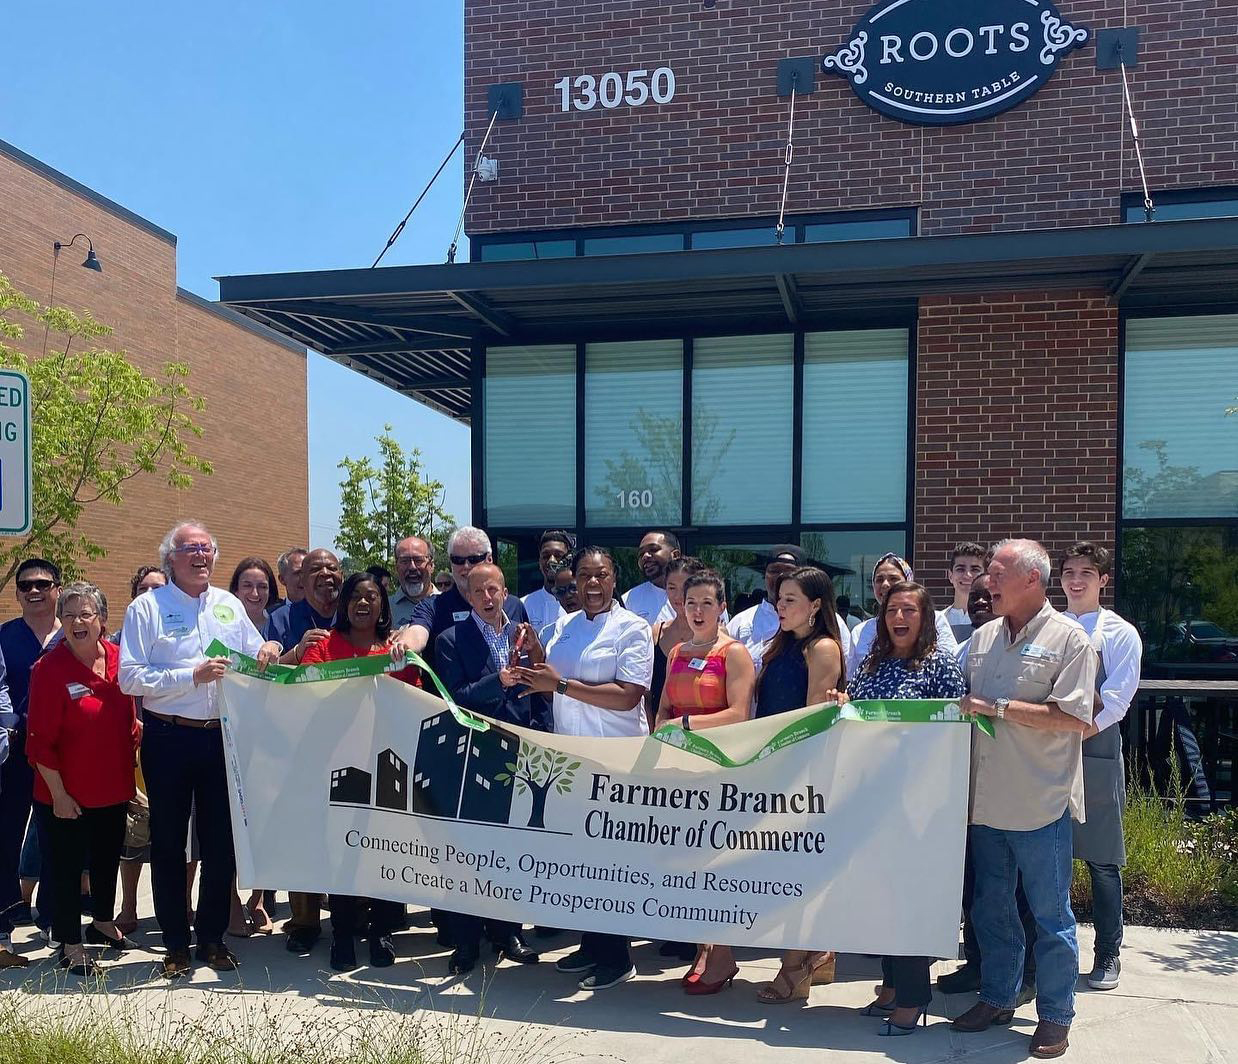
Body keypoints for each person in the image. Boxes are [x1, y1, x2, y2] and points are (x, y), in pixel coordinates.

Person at [951, 539, 1098, 1061]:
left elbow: (1076, 719)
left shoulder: (1069, 641)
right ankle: (997, 997)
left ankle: (1056, 1017)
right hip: (985, 804)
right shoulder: (984, 637)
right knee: (991, 912)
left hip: (1040, 805)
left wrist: (1000, 708)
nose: (986, 581)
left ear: (1031, 580)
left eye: (996, 572)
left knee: (1050, 916)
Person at [119, 521, 283, 977]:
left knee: (220, 842)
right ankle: (174, 942)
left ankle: (211, 938)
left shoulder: (229, 605)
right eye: (190, 549)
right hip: (168, 735)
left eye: (207, 549)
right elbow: (129, 677)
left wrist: (269, 645)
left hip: (221, 737)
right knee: (169, 842)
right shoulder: (146, 608)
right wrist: (191, 675)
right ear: (170, 557)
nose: (201, 557)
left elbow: (255, 657)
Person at [511, 547, 652, 991]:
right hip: (570, 761)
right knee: (580, 861)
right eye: (585, 577)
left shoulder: (634, 628)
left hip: (615, 760)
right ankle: (592, 944)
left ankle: (617, 956)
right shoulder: (565, 627)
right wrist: (535, 653)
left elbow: (629, 695)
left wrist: (564, 684)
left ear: (615, 579)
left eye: (601, 575)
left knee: (611, 862)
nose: (591, 584)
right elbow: (549, 683)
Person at [842, 581, 967, 1036]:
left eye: (909, 611)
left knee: (908, 900)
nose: (899, 618)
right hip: (873, 798)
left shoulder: (941, 667)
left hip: (920, 802)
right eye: (892, 610)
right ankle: (892, 984)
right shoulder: (872, 663)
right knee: (880, 896)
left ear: (925, 617)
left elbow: (954, 729)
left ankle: (914, 998)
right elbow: (853, 714)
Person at [300, 572, 419, 972]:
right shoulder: (324, 648)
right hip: (336, 762)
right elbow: (304, 695)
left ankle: (382, 931)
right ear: (344, 604)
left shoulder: (393, 649)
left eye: (372, 597)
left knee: (380, 849)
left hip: (385, 763)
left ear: (383, 606)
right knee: (342, 851)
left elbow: (413, 700)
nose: (364, 603)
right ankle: (343, 933)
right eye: (356, 597)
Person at [436, 563, 550, 973]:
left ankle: (508, 933)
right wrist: (496, 682)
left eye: (494, 590)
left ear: (506, 593)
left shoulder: (523, 635)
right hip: (474, 755)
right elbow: (455, 697)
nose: (487, 597)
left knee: (511, 851)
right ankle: (467, 943)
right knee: (468, 853)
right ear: (468, 595)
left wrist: (542, 735)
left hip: (521, 754)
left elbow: (541, 691)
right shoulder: (451, 640)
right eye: (479, 591)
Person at [27, 582, 140, 977]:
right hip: (66, 793)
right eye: (70, 613)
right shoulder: (49, 669)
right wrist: (58, 794)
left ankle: (102, 922)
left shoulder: (118, 659)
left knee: (107, 859)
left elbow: (127, 717)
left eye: (86, 613)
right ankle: (69, 944)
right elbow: (38, 742)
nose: (77, 621)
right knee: (66, 869)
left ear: (103, 621)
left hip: (112, 787)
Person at [654, 569, 754, 997]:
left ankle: (721, 952)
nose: (697, 611)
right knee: (689, 866)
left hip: (719, 772)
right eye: (690, 602)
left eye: (706, 603)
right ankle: (705, 949)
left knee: (716, 866)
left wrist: (687, 725)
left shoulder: (734, 653)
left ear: (722, 607)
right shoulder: (676, 650)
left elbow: (738, 713)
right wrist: (666, 731)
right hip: (680, 773)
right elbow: (660, 711)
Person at [750, 566, 846, 1002]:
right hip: (772, 767)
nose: (780, 606)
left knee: (796, 873)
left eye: (790, 599)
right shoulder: (780, 644)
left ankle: (794, 968)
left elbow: (810, 722)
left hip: (800, 775)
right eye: (778, 599)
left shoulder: (823, 648)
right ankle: (819, 955)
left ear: (816, 605)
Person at [943, 568, 1038, 1003]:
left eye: (989, 595)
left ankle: (1027, 974)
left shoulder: (1034, 644)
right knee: (978, 888)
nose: (982, 603)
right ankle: (978, 964)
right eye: (975, 598)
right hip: (969, 783)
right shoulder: (965, 650)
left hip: (1018, 787)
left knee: (1017, 892)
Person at [1060, 541, 1142, 992]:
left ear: (1102, 580)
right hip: (1047, 748)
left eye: (1086, 573)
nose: (1076, 580)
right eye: (1070, 572)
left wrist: (1072, 733)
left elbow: (1116, 700)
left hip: (1094, 747)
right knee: (1047, 858)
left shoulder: (1120, 633)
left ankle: (1108, 951)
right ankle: (1049, 953)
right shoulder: (1048, 627)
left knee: (1102, 860)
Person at [264, 548, 343, 953]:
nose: (325, 576)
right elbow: (260, 675)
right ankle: (305, 920)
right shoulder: (280, 619)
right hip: (296, 741)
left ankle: (352, 918)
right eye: (316, 570)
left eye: (332, 568)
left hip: (350, 739)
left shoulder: (355, 610)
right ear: (300, 578)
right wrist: (296, 653)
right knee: (303, 831)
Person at [0, 558, 62, 955]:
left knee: (59, 837)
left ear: (58, 587)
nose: (34, 590)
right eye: (25, 586)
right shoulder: (5, 636)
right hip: (15, 752)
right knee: (6, 836)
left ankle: (55, 919)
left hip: (61, 754)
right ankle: (4, 922)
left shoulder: (73, 636)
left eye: (42, 583)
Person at [113, 564, 167, 938]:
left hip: (171, 744)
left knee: (178, 835)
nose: (151, 595)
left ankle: (179, 906)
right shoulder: (119, 640)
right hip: (130, 749)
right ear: (135, 596)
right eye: (145, 589)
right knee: (133, 833)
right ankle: (128, 906)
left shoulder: (176, 635)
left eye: (158, 589)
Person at [393, 527, 526, 672]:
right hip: (445, 694)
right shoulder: (433, 606)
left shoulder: (514, 606)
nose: (466, 566)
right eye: (458, 560)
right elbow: (417, 632)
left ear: (489, 559)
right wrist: (405, 645)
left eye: (474, 559)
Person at [727, 545, 851, 672]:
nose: (780, 576)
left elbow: (847, 667)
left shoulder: (826, 620)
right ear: (765, 574)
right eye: (774, 571)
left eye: (789, 571)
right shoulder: (741, 622)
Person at [847, 554, 957, 675]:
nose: (885, 584)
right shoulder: (860, 631)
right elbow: (852, 676)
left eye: (893, 579)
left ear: (908, 581)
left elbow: (950, 659)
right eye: (879, 579)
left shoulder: (935, 620)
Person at [648, 557, 707, 732]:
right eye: (671, 587)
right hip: (661, 733)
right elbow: (647, 695)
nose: (678, 595)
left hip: (703, 733)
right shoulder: (655, 633)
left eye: (685, 587)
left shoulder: (719, 637)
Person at [622, 530, 681, 625]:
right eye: (641, 554)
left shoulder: (697, 593)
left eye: (653, 549)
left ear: (675, 555)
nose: (645, 556)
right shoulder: (629, 600)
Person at [522, 530, 573, 635]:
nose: (551, 561)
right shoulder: (524, 605)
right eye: (545, 556)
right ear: (539, 562)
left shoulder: (578, 604)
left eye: (558, 555)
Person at [942, 542, 987, 644]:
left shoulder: (995, 622)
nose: (967, 575)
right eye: (960, 569)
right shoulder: (937, 621)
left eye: (975, 569)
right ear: (950, 576)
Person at [391, 535, 438, 627]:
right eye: (405, 561)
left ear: (431, 566)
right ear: (396, 567)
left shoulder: (449, 605)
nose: (412, 567)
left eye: (418, 560)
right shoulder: (383, 609)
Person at [229, 557, 278, 634]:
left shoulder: (278, 628)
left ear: (270, 592)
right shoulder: (223, 627)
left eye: (262, 586)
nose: (255, 593)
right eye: (247, 585)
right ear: (236, 590)